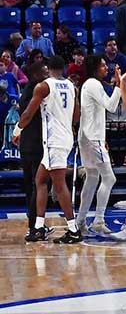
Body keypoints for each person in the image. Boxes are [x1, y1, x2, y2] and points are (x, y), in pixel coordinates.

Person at [13, 56, 81, 243]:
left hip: (54, 140)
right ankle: (38, 227)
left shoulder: (43, 86)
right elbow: (76, 117)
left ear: (48, 68)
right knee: (40, 180)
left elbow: (27, 113)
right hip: (65, 137)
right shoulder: (72, 86)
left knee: (59, 185)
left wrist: (17, 130)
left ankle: (74, 229)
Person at [75, 56, 126, 236]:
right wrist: (119, 84)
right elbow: (112, 106)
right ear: (95, 68)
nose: (107, 68)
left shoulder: (89, 84)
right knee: (109, 178)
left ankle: (80, 222)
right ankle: (98, 220)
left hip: (87, 137)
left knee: (92, 178)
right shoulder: (93, 84)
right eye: (103, 65)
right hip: (92, 138)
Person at [16, 61, 46, 240]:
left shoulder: (28, 88)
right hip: (35, 144)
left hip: (27, 144)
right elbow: (28, 115)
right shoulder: (37, 89)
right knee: (38, 185)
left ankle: (34, 224)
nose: (47, 74)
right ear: (36, 74)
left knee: (31, 186)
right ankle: (35, 226)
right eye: (44, 71)